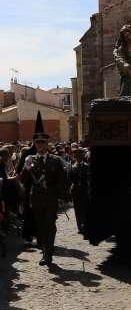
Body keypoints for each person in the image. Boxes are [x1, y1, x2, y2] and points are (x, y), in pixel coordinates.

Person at [20, 112, 66, 266]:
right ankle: (45, 252)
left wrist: (60, 197)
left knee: (50, 225)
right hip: (36, 198)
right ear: (34, 144)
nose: (40, 145)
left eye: (42, 142)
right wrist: (26, 169)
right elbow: (23, 181)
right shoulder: (30, 160)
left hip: (51, 198)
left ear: (47, 144)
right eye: (37, 142)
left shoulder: (55, 160)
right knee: (40, 226)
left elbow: (62, 180)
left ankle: (49, 254)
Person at [70, 147, 90, 236]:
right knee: (77, 210)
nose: (78, 157)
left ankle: (85, 226)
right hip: (75, 191)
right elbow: (69, 179)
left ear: (82, 157)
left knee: (85, 209)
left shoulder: (87, 166)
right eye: (76, 156)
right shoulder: (72, 167)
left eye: (80, 156)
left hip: (85, 191)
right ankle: (80, 227)